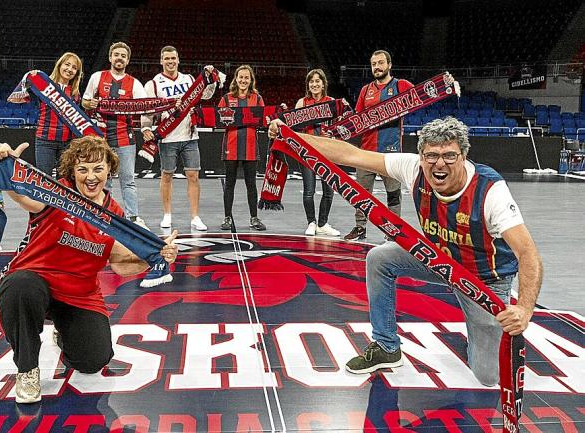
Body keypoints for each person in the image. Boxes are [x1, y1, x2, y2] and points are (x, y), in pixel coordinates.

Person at [269, 116, 542, 386]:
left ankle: (481, 334)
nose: (439, 164)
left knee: (488, 376)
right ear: (421, 156)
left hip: (483, 280)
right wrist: (291, 137)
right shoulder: (413, 168)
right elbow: (352, 154)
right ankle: (387, 347)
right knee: (380, 258)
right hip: (440, 259)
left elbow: (528, 254)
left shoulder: (490, 191)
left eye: (449, 156)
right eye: (431, 156)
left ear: (464, 156)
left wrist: (525, 309)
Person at [0, 136, 179, 403]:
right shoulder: (54, 194)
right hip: (34, 282)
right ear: (71, 171)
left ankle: (63, 333)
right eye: (82, 169)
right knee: (21, 287)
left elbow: (121, 263)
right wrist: (6, 161)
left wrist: (157, 255)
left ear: (109, 170)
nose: (90, 176)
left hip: (79, 295)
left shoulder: (113, 214)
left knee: (93, 361)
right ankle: (27, 370)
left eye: (98, 169)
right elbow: (21, 195)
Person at [141, 46, 216, 231]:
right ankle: (167, 215)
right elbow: (147, 109)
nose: (170, 61)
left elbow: (205, 95)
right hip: (167, 136)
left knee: (193, 175)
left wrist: (210, 78)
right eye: (166, 58)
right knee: (167, 175)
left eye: (173, 58)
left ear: (178, 59)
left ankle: (195, 217)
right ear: (161, 61)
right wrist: (145, 128)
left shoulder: (189, 79)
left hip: (190, 134)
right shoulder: (153, 83)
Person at [344, 50, 414, 241]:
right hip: (366, 151)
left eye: (381, 63)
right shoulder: (366, 90)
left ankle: (393, 232)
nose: (377, 67)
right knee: (361, 194)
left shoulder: (401, 85)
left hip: (390, 153)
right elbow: (356, 118)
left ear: (389, 65)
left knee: (393, 194)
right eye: (374, 64)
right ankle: (360, 228)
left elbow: (420, 99)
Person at [82, 42, 149, 229]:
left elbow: (145, 106)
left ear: (127, 60)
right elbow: (85, 101)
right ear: (110, 57)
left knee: (128, 179)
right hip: (100, 138)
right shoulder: (97, 77)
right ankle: (101, 214)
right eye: (116, 54)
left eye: (123, 56)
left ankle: (133, 218)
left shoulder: (134, 83)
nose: (119, 58)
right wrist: (90, 104)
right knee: (104, 179)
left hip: (124, 137)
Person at [12, 52, 83, 176]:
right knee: (45, 180)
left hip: (67, 142)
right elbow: (21, 95)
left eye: (74, 68)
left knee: (64, 181)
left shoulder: (75, 93)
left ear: (77, 73)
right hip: (45, 140)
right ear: (59, 65)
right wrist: (32, 76)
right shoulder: (44, 85)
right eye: (67, 64)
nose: (70, 69)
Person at [218, 65, 266, 231]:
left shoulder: (257, 98)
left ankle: (254, 218)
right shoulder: (226, 98)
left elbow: (263, 120)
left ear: (251, 80)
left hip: (251, 147)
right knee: (229, 184)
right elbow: (218, 119)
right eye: (241, 77)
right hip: (231, 146)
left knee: (251, 184)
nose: (243, 80)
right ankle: (227, 218)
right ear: (236, 79)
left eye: (247, 78)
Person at [295, 69, 339, 237]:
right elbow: (293, 128)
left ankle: (322, 223)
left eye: (317, 81)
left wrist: (333, 133)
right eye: (311, 81)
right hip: (306, 152)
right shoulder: (302, 103)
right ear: (308, 85)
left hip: (327, 152)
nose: (314, 84)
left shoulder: (332, 102)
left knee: (328, 191)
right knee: (309, 191)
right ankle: (311, 222)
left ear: (323, 83)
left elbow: (339, 127)